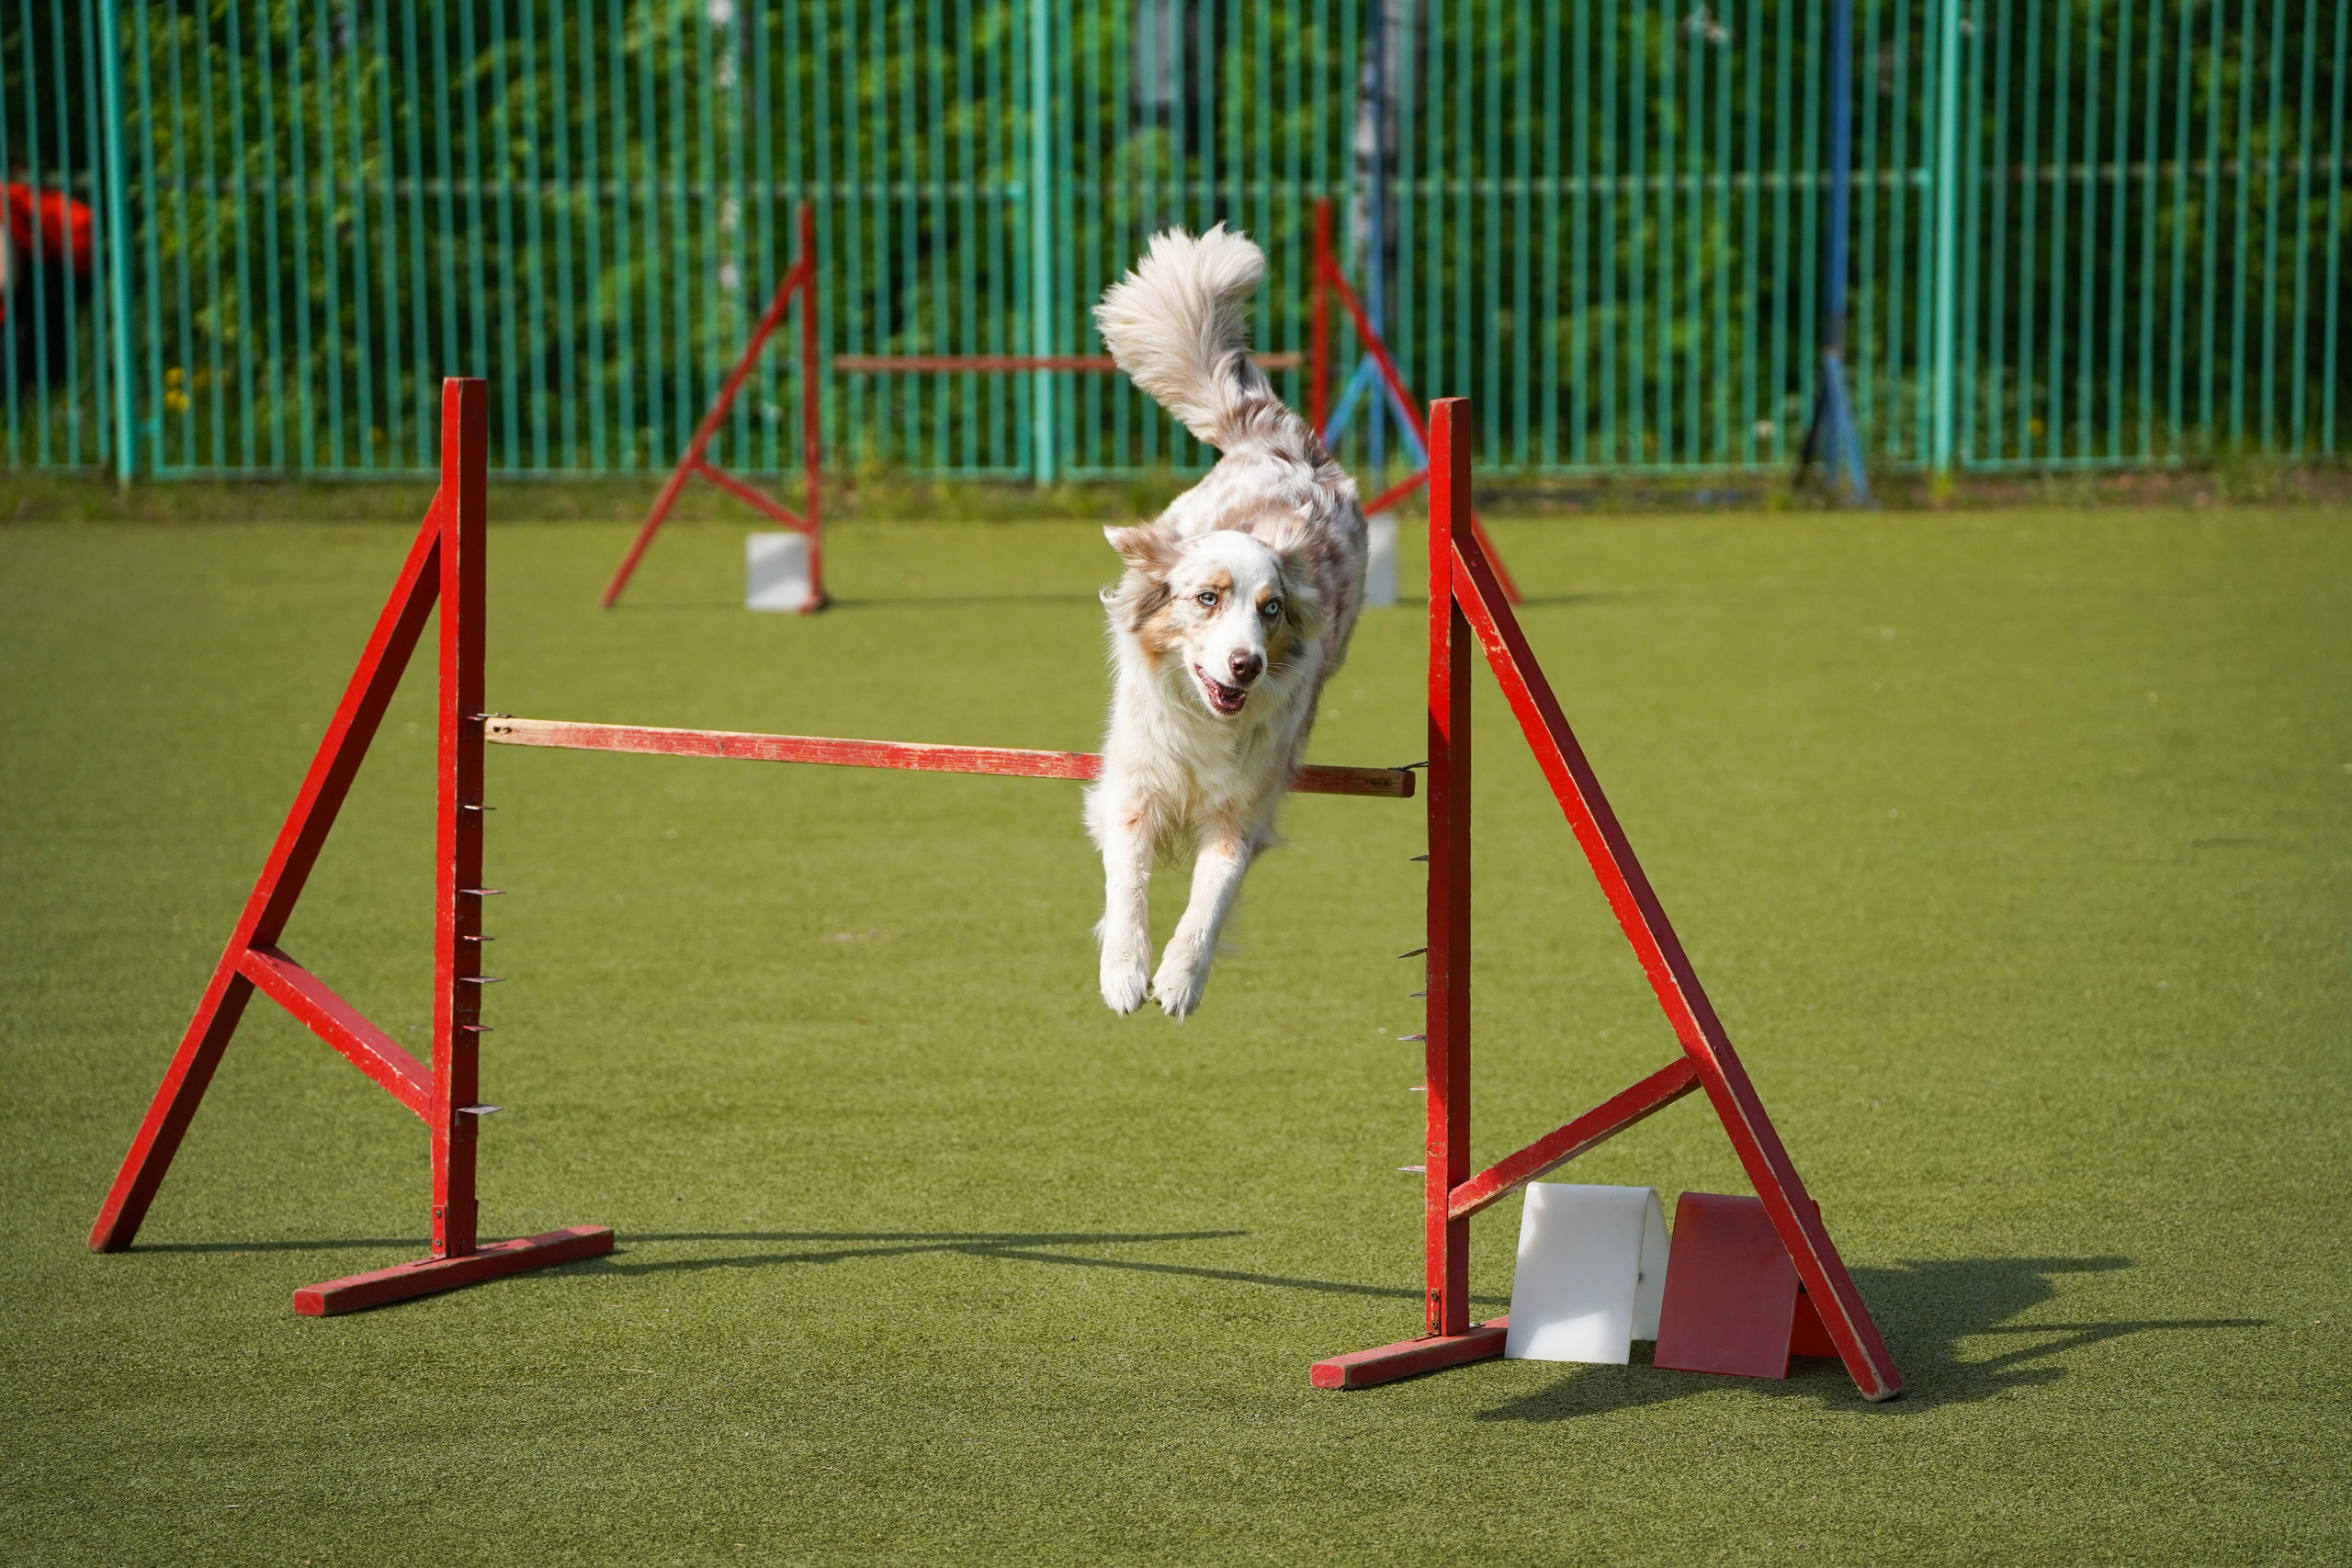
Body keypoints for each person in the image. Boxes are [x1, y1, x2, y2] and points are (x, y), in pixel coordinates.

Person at [2, 180, 95, 387]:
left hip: (23, 310)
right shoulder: (16, 198)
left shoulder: (4, 201)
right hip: (40, 301)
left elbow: (6, 276)